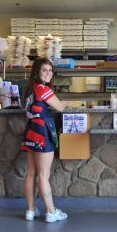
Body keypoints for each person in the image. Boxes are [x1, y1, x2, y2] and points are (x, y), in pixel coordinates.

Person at [21, 57, 68, 223]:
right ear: (37, 72)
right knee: (43, 175)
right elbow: (60, 107)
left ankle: (30, 210)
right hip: (42, 133)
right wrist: (69, 102)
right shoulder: (43, 89)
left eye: (50, 70)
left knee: (31, 173)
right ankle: (51, 212)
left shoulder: (30, 89)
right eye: (44, 70)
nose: (48, 74)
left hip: (31, 132)